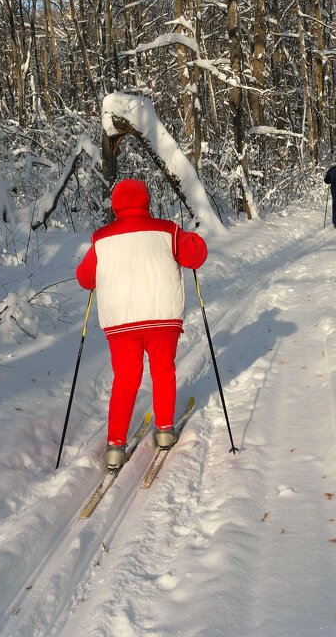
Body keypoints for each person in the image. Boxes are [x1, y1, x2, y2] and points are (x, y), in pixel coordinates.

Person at [75, 179, 208, 470]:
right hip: (162, 319)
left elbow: (85, 278)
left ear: (115, 206)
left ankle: (115, 447)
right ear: (147, 202)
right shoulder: (167, 231)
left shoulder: (102, 239)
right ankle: (163, 431)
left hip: (121, 325)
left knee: (126, 380)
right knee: (163, 372)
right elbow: (195, 255)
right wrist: (196, 238)